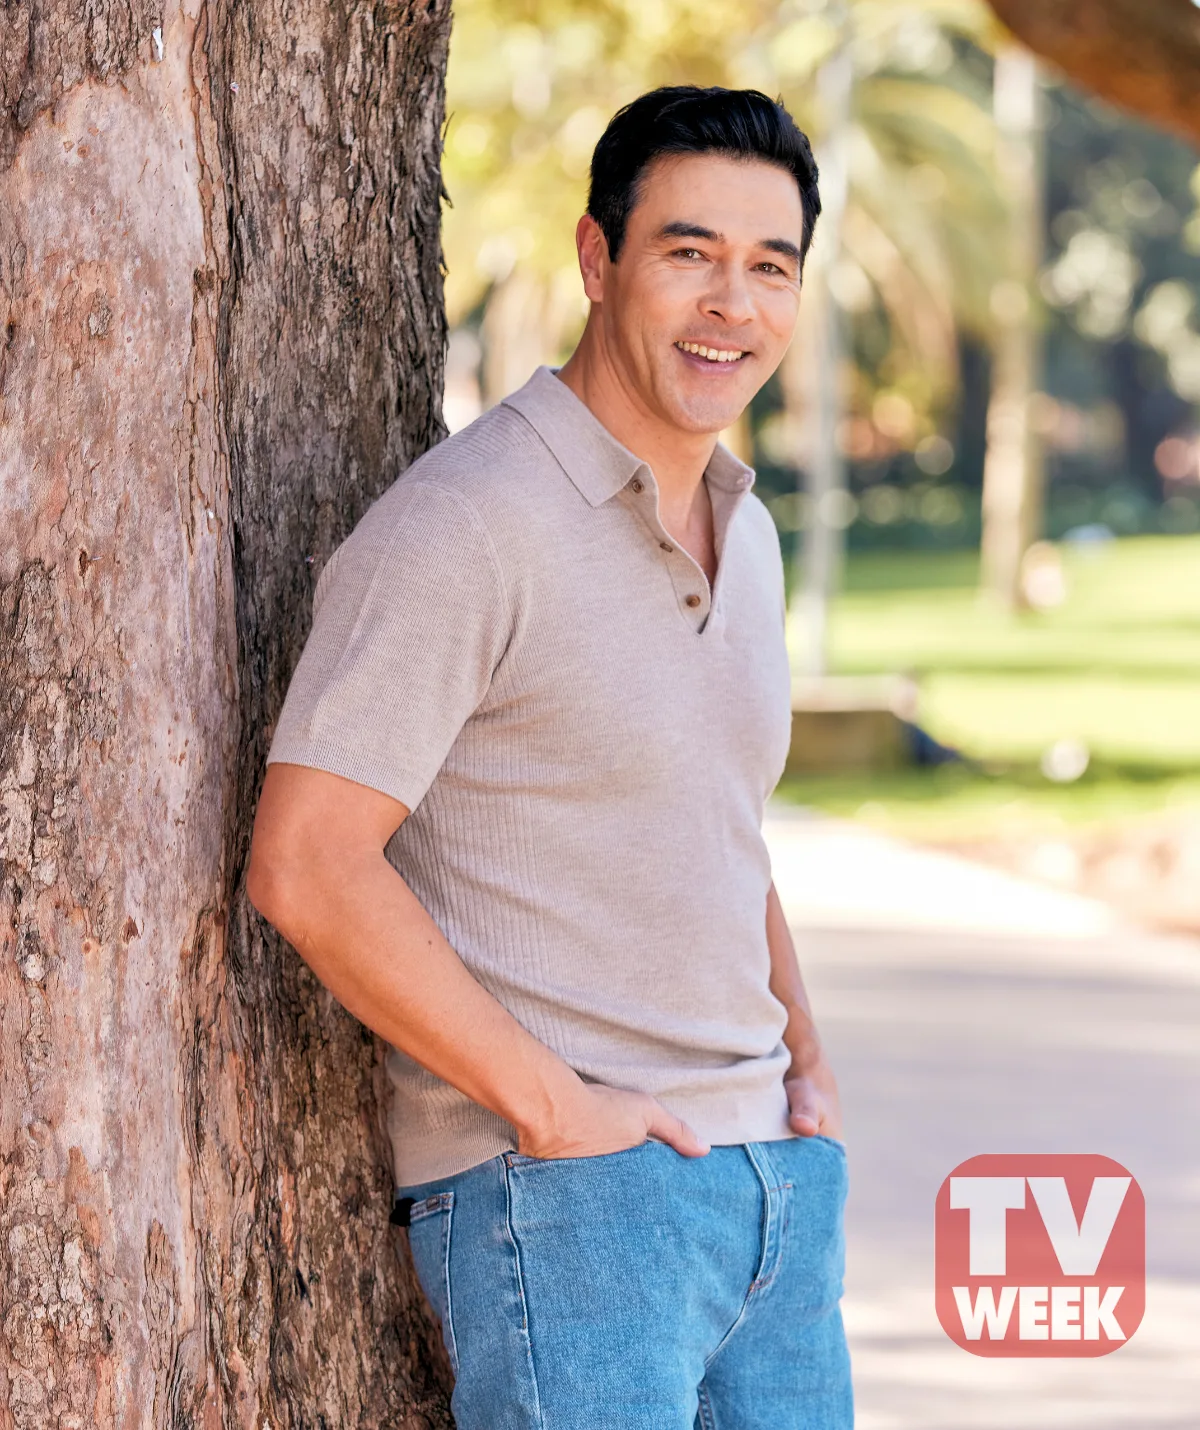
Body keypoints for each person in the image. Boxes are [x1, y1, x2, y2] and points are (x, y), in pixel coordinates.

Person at [247, 84, 852, 1429]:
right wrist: (554, 1109)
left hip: (775, 1195)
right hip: (572, 1203)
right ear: (598, 260)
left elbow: (718, 827)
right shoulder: (469, 526)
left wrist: (806, 1065)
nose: (730, 306)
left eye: (770, 267)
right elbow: (306, 860)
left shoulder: (743, 532)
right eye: (688, 254)